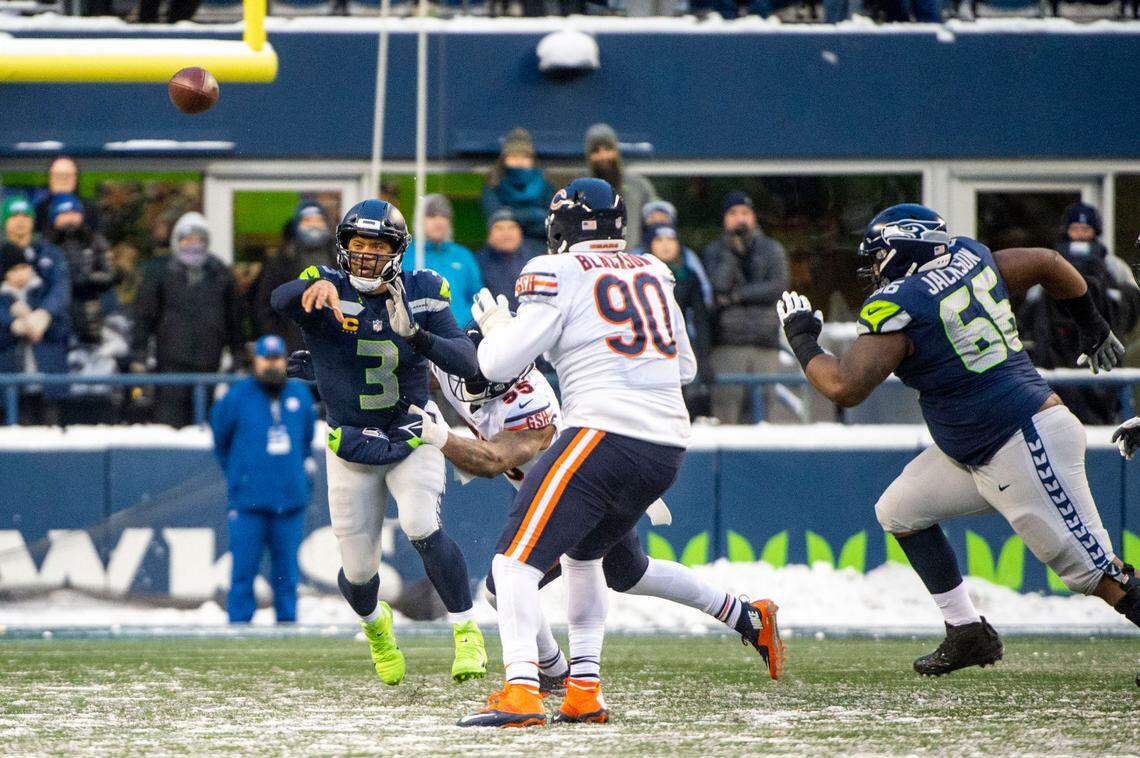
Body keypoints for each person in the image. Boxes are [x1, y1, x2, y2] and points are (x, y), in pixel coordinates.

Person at [289, 325, 783, 692]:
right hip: (561, 489)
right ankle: (745, 615)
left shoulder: (531, 402)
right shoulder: (461, 365)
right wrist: (336, 369)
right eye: (472, 370)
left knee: (506, 583)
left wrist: (438, 436)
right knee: (628, 572)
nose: (476, 383)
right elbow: (407, 363)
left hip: (581, 492)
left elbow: (494, 459)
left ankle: (553, 674)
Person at [456, 178, 781, 728]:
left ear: (559, 228)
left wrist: (498, 329)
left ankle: (522, 691)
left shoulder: (555, 271)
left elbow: (494, 365)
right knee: (588, 560)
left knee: (511, 565)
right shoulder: (653, 269)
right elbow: (685, 369)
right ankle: (582, 690)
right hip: (666, 443)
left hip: (603, 432)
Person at [777, 203, 1137, 676]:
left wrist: (803, 340)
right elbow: (1049, 263)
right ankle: (966, 632)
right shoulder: (972, 257)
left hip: (1023, 440)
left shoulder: (902, 303)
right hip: (979, 447)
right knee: (900, 510)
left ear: (903, 249)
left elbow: (845, 386)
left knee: (1097, 574)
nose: (873, 269)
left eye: (878, 256)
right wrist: (1091, 324)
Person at [270, 199, 487, 686]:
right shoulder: (326, 281)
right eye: (358, 244)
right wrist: (312, 287)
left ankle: (466, 629)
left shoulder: (424, 290)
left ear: (398, 250)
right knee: (360, 571)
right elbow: (278, 300)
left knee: (419, 524)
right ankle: (376, 630)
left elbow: (468, 361)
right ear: (343, 246)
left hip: (410, 429)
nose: (367, 255)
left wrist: (419, 339)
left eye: (378, 245)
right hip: (350, 440)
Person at [210, 335, 317, 624]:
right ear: (255, 361)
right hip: (248, 502)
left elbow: (306, 441)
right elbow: (220, 440)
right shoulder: (236, 396)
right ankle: (239, 628)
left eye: (277, 358)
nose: (272, 364)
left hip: (289, 500)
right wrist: (238, 474)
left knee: (287, 575)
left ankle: (288, 628)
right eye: (266, 358)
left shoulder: (299, 395)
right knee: (243, 573)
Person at [130, 212, 244, 427]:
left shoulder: (220, 272)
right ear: (176, 241)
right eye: (187, 239)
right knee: (169, 421)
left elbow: (234, 317)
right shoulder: (159, 271)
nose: (193, 245)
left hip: (208, 360)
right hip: (170, 361)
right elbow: (144, 315)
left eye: (199, 239)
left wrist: (237, 353)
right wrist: (139, 352)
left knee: (206, 421)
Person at [702, 191, 790, 424]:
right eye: (733, 213)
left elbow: (778, 287)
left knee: (763, 418)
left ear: (753, 217)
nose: (739, 218)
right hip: (728, 344)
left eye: (744, 213)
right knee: (726, 417)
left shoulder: (771, 248)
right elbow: (717, 287)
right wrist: (731, 253)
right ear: (724, 219)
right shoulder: (715, 251)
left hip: (765, 343)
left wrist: (737, 296)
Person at [1, 197, 70, 425]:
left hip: (46, 360)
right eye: (14, 216)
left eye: (25, 216)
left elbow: (61, 291)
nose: (20, 222)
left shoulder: (50, 254)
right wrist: (13, 323)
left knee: (50, 434)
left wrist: (44, 315)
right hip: (9, 365)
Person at [645, 222, 714, 418]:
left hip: (675, 346)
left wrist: (704, 358)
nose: (666, 245)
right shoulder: (636, 275)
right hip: (644, 347)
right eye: (659, 239)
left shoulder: (689, 276)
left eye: (671, 239)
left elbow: (701, 319)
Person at [255, 200, 337, 353]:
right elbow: (265, 305)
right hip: (292, 345)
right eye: (307, 221)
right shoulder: (281, 259)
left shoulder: (340, 258)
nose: (314, 225)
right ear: (297, 225)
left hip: (334, 344)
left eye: (318, 220)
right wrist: (279, 340)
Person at [402, 194, 483, 326]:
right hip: (416, 337)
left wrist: (465, 323)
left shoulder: (463, 256)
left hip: (459, 336)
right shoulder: (405, 255)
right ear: (419, 220)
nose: (439, 222)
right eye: (432, 216)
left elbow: (477, 297)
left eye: (444, 216)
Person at [45, 193, 116, 340]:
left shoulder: (95, 241)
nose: (70, 218)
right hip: (56, 316)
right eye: (64, 213)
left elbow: (109, 275)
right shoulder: (46, 245)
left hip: (91, 312)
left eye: (74, 212)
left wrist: (87, 278)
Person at [582, 123, 657, 252]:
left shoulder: (639, 185)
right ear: (589, 156)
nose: (603, 156)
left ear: (616, 150)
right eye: (596, 151)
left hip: (633, 258)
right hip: (594, 260)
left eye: (608, 149)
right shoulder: (581, 189)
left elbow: (657, 218)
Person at [480, 127, 554, 247]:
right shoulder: (493, 184)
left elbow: (552, 224)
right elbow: (497, 222)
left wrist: (514, 216)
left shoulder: (546, 183)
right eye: (513, 156)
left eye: (525, 157)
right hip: (506, 249)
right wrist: (535, 215)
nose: (519, 162)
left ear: (532, 160)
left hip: (542, 247)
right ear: (504, 160)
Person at [635, 199, 713, 308]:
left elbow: (704, 293)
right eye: (653, 219)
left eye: (663, 219)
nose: (658, 223)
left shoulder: (687, 256)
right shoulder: (634, 256)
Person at [474, 209, 542, 310]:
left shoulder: (535, 258)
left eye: (512, 227)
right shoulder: (477, 262)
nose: (506, 233)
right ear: (489, 234)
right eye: (499, 228)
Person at [34, 156, 101, 237]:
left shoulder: (90, 208)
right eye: (58, 176)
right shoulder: (40, 209)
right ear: (50, 179)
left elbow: (97, 237)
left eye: (68, 175)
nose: (63, 180)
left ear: (76, 178)